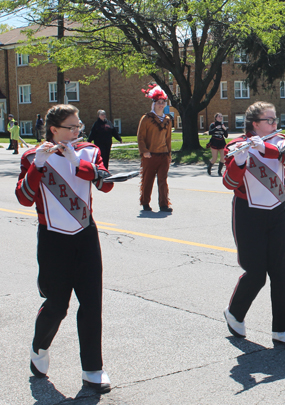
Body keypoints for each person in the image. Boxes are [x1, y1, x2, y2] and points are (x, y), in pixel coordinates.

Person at [15, 104, 114, 393]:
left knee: (92, 304)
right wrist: (38, 166)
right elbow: (23, 197)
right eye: (71, 127)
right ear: (54, 129)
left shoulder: (89, 152)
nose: (77, 131)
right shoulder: (33, 156)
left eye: (79, 125)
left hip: (85, 235)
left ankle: (93, 369)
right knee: (57, 306)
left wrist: (77, 162)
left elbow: (105, 184)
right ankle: (39, 347)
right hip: (52, 238)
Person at [222, 101, 285, 346]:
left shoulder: (280, 141)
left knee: (279, 272)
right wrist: (241, 160)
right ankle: (234, 312)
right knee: (256, 273)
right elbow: (229, 184)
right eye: (270, 120)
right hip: (248, 212)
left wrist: (265, 147)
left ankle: (282, 328)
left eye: (275, 119)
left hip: (277, 211)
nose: (275, 124)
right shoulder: (235, 146)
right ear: (255, 124)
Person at [137, 84, 173, 212]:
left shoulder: (168, 120)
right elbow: (140, 137)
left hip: (163, 154)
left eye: (163, 103)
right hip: (150, 155)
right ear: (154, 104)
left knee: (163, 181)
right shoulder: (146, 118)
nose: (161, 105)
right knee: (148, 180)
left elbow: (168, 139)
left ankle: (164, 204)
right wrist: (144, 151)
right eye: (159, 102)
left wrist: (169, 155)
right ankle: (145, 203)